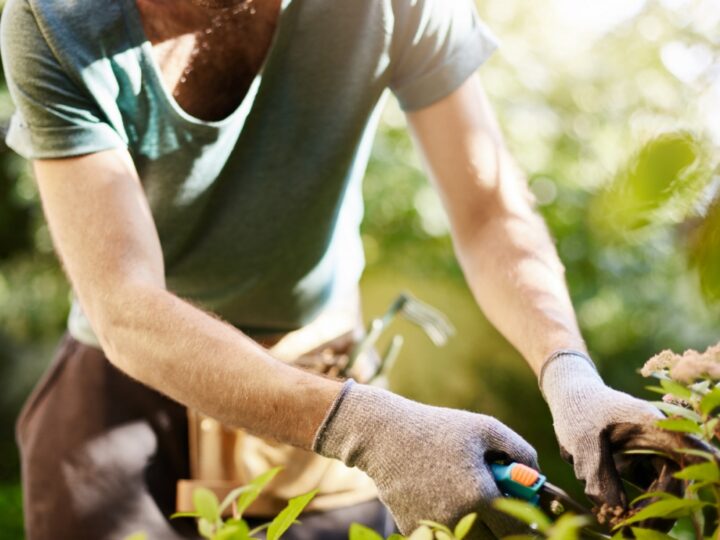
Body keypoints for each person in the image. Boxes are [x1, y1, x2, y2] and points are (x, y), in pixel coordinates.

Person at [1, 0, 667, 538]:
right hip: (120, 391)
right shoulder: (53, 18)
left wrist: (568, 371)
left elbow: (489, 209)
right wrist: (367, 427)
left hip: (318, 365)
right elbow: (124, 302)